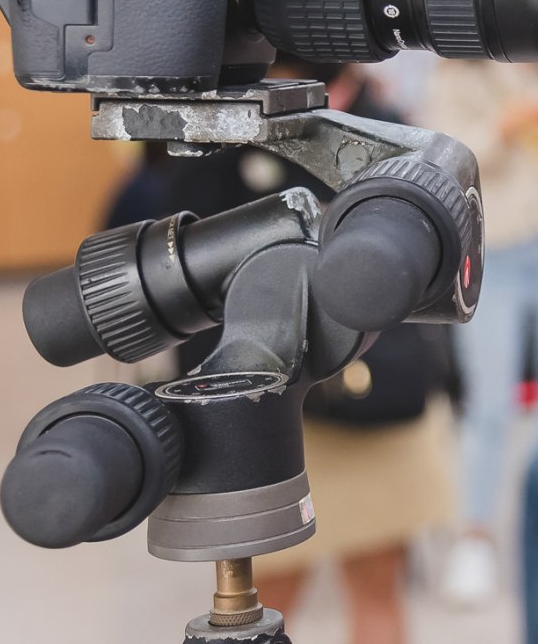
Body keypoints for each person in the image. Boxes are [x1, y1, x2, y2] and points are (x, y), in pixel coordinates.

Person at [140, 59, 453, 644]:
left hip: (376, 399)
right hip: (262, 409)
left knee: (375, 583)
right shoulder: (226, 134)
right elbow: (181, 267)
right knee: (262, 595)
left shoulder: (384, 129)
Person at [425, 59, 538, 606]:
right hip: (493, 252)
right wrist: (516, 119)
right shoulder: (455, 76)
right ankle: (475, 537)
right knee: (488, 404)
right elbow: (444, 167)